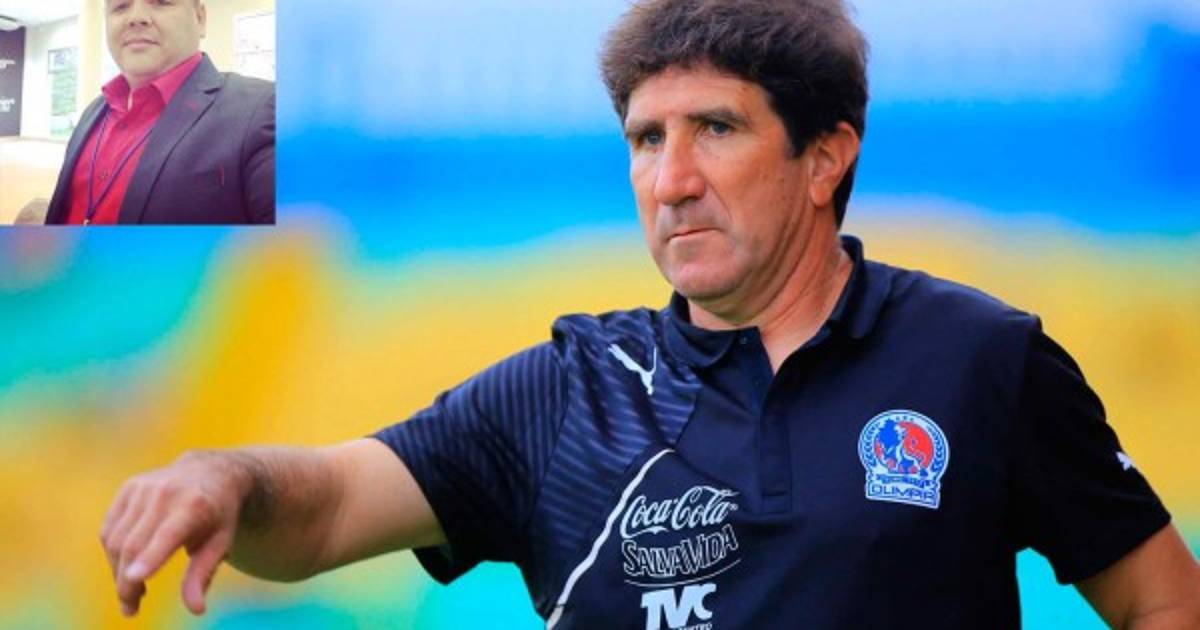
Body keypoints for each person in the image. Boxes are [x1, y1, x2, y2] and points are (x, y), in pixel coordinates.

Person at [99, 0, 1200, 627]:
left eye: (714, 129)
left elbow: (1162, 600)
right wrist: (226, 478)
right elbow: (331, 508)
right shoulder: (564, 392)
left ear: (826, 157)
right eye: (644, 139)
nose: (670, 180)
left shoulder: (982, 358)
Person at [44, 0, 274, 225]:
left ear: (200, 19)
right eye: (120, 6)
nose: (136, 18)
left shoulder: (264, 109)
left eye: (161, 2)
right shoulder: (92, 114)